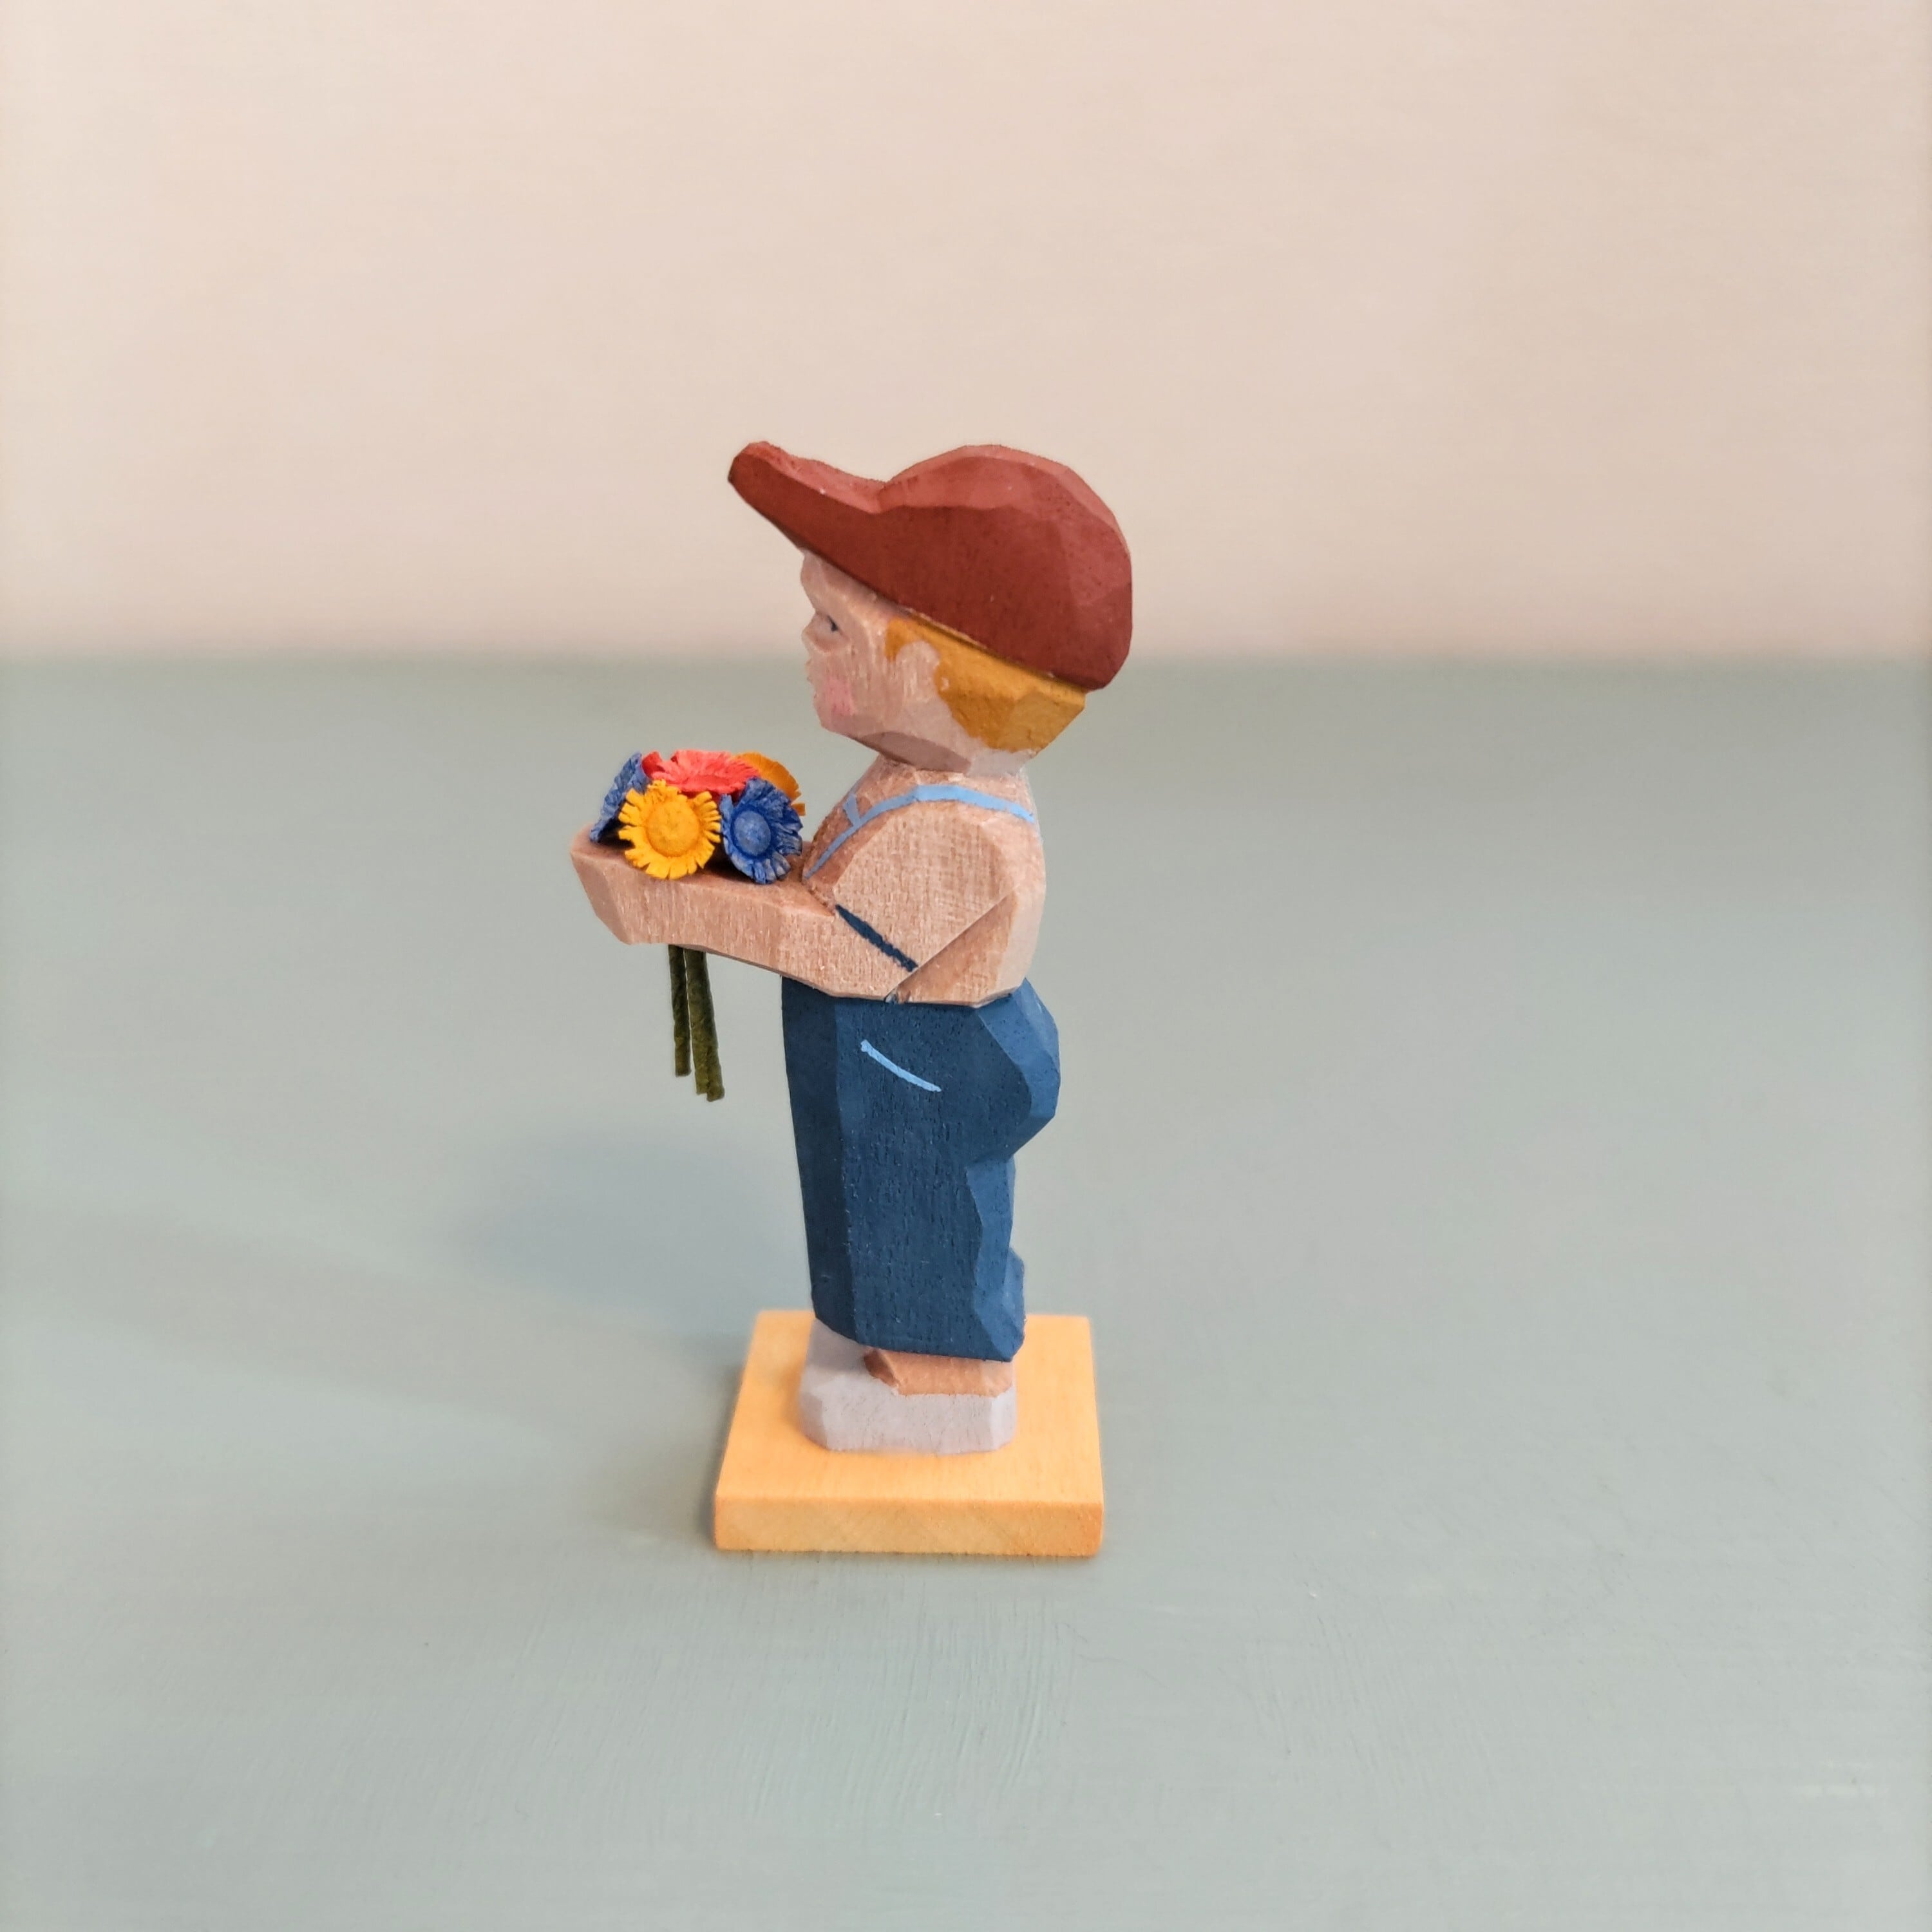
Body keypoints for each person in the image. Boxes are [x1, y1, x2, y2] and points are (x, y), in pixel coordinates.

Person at [574, 442, 1132, 1449]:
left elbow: (844, 948)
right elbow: (826, 891)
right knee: (877, 1219)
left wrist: (672, 909)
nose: (808, 640)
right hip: (894, 1057)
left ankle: (942, 1382)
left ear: (926, 670)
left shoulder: (957, 830)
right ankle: (900, 1343)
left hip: (923, 1068)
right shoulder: (912, 782)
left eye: (835, 625)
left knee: (918, 1225)